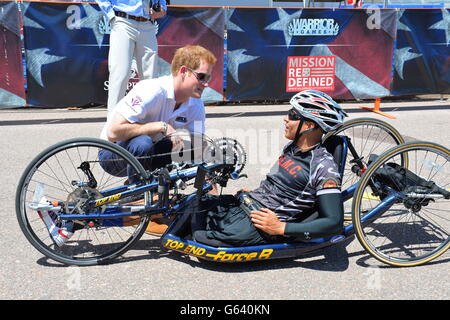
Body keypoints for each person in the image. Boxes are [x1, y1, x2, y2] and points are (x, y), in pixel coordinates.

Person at [191, 90, 348, 246]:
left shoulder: (324, 166)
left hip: (262, 223)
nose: (285, 118)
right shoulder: (292, 148)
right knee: (193, 205)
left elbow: (334, 222)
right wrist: (257, 193)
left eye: (293, 115)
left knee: (201, 237)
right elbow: (278, 183)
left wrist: (281, 228)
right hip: (248, 206)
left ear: (309, 125)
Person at [97, 44, 216, 235]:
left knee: (191, 146)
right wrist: (159, 126)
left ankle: (154, 197)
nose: (206, 83)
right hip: (113, 154)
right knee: (143, 142)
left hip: (150, 152)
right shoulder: (151, 89)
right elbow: (113, 132)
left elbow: (200, 147)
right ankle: (143, 211)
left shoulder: (196, 103)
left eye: (209, 78)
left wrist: (211, 188)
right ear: (184, 72)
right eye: (202, 77)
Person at [95, 0, 168, 114]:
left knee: (150, 76)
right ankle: (113, 122)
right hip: (123, 21)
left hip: (148, 24)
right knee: (120, 73)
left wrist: (162, 9)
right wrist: (111, 15)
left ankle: (148, 119)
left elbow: (162, 3)